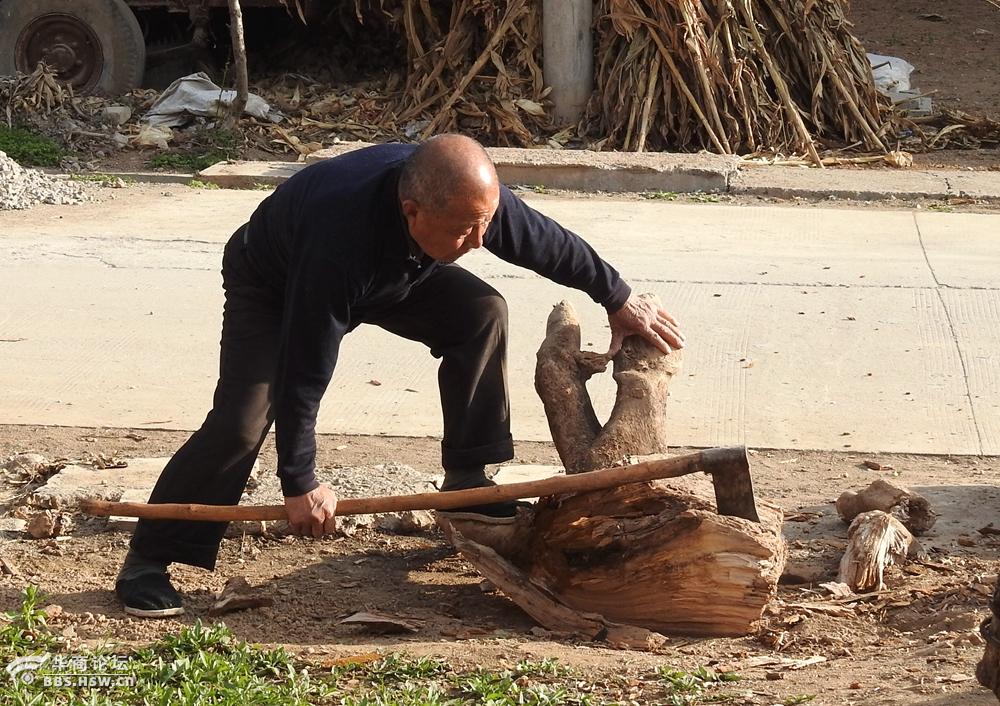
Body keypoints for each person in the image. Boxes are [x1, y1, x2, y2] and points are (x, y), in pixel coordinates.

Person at [115, 134, 684, 617]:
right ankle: (150, 557)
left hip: (396, 270)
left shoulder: (462, 197)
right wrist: (300, 481)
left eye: (485, 223)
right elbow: (304, 372)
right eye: (466, 230)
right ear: (413, 211)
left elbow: (546, 242)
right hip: (277, 283)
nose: (480, 241)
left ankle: (467, 481)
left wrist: (617, 296)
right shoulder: (338, 240)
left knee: (480, 313)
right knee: (242, 422)